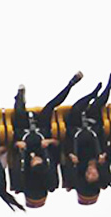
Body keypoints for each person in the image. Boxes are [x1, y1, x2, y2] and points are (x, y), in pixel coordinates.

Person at [11, 72, 83, 207]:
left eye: (33, 162)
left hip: (23, 134)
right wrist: (49, 142)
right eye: (38, 161)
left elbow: (11, 150)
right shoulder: (49, 168)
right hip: (43, 132)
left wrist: (17, 144)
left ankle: (19, 97)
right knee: (50, 106)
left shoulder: (22, 171)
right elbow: (59, 145)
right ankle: (71, 84)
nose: (35, 160)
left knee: (19, 112)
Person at [62, 71, 111, 205]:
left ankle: (92, 94)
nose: (90, 172)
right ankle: (108, 86)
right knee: (97, 106)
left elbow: (65, 146)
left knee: (76, 110)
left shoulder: (79, 164)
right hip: (94, 128)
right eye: (93, 175)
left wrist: (71, 155)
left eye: (87, 175)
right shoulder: (102, 162)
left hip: (76, 129)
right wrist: (105, 154)